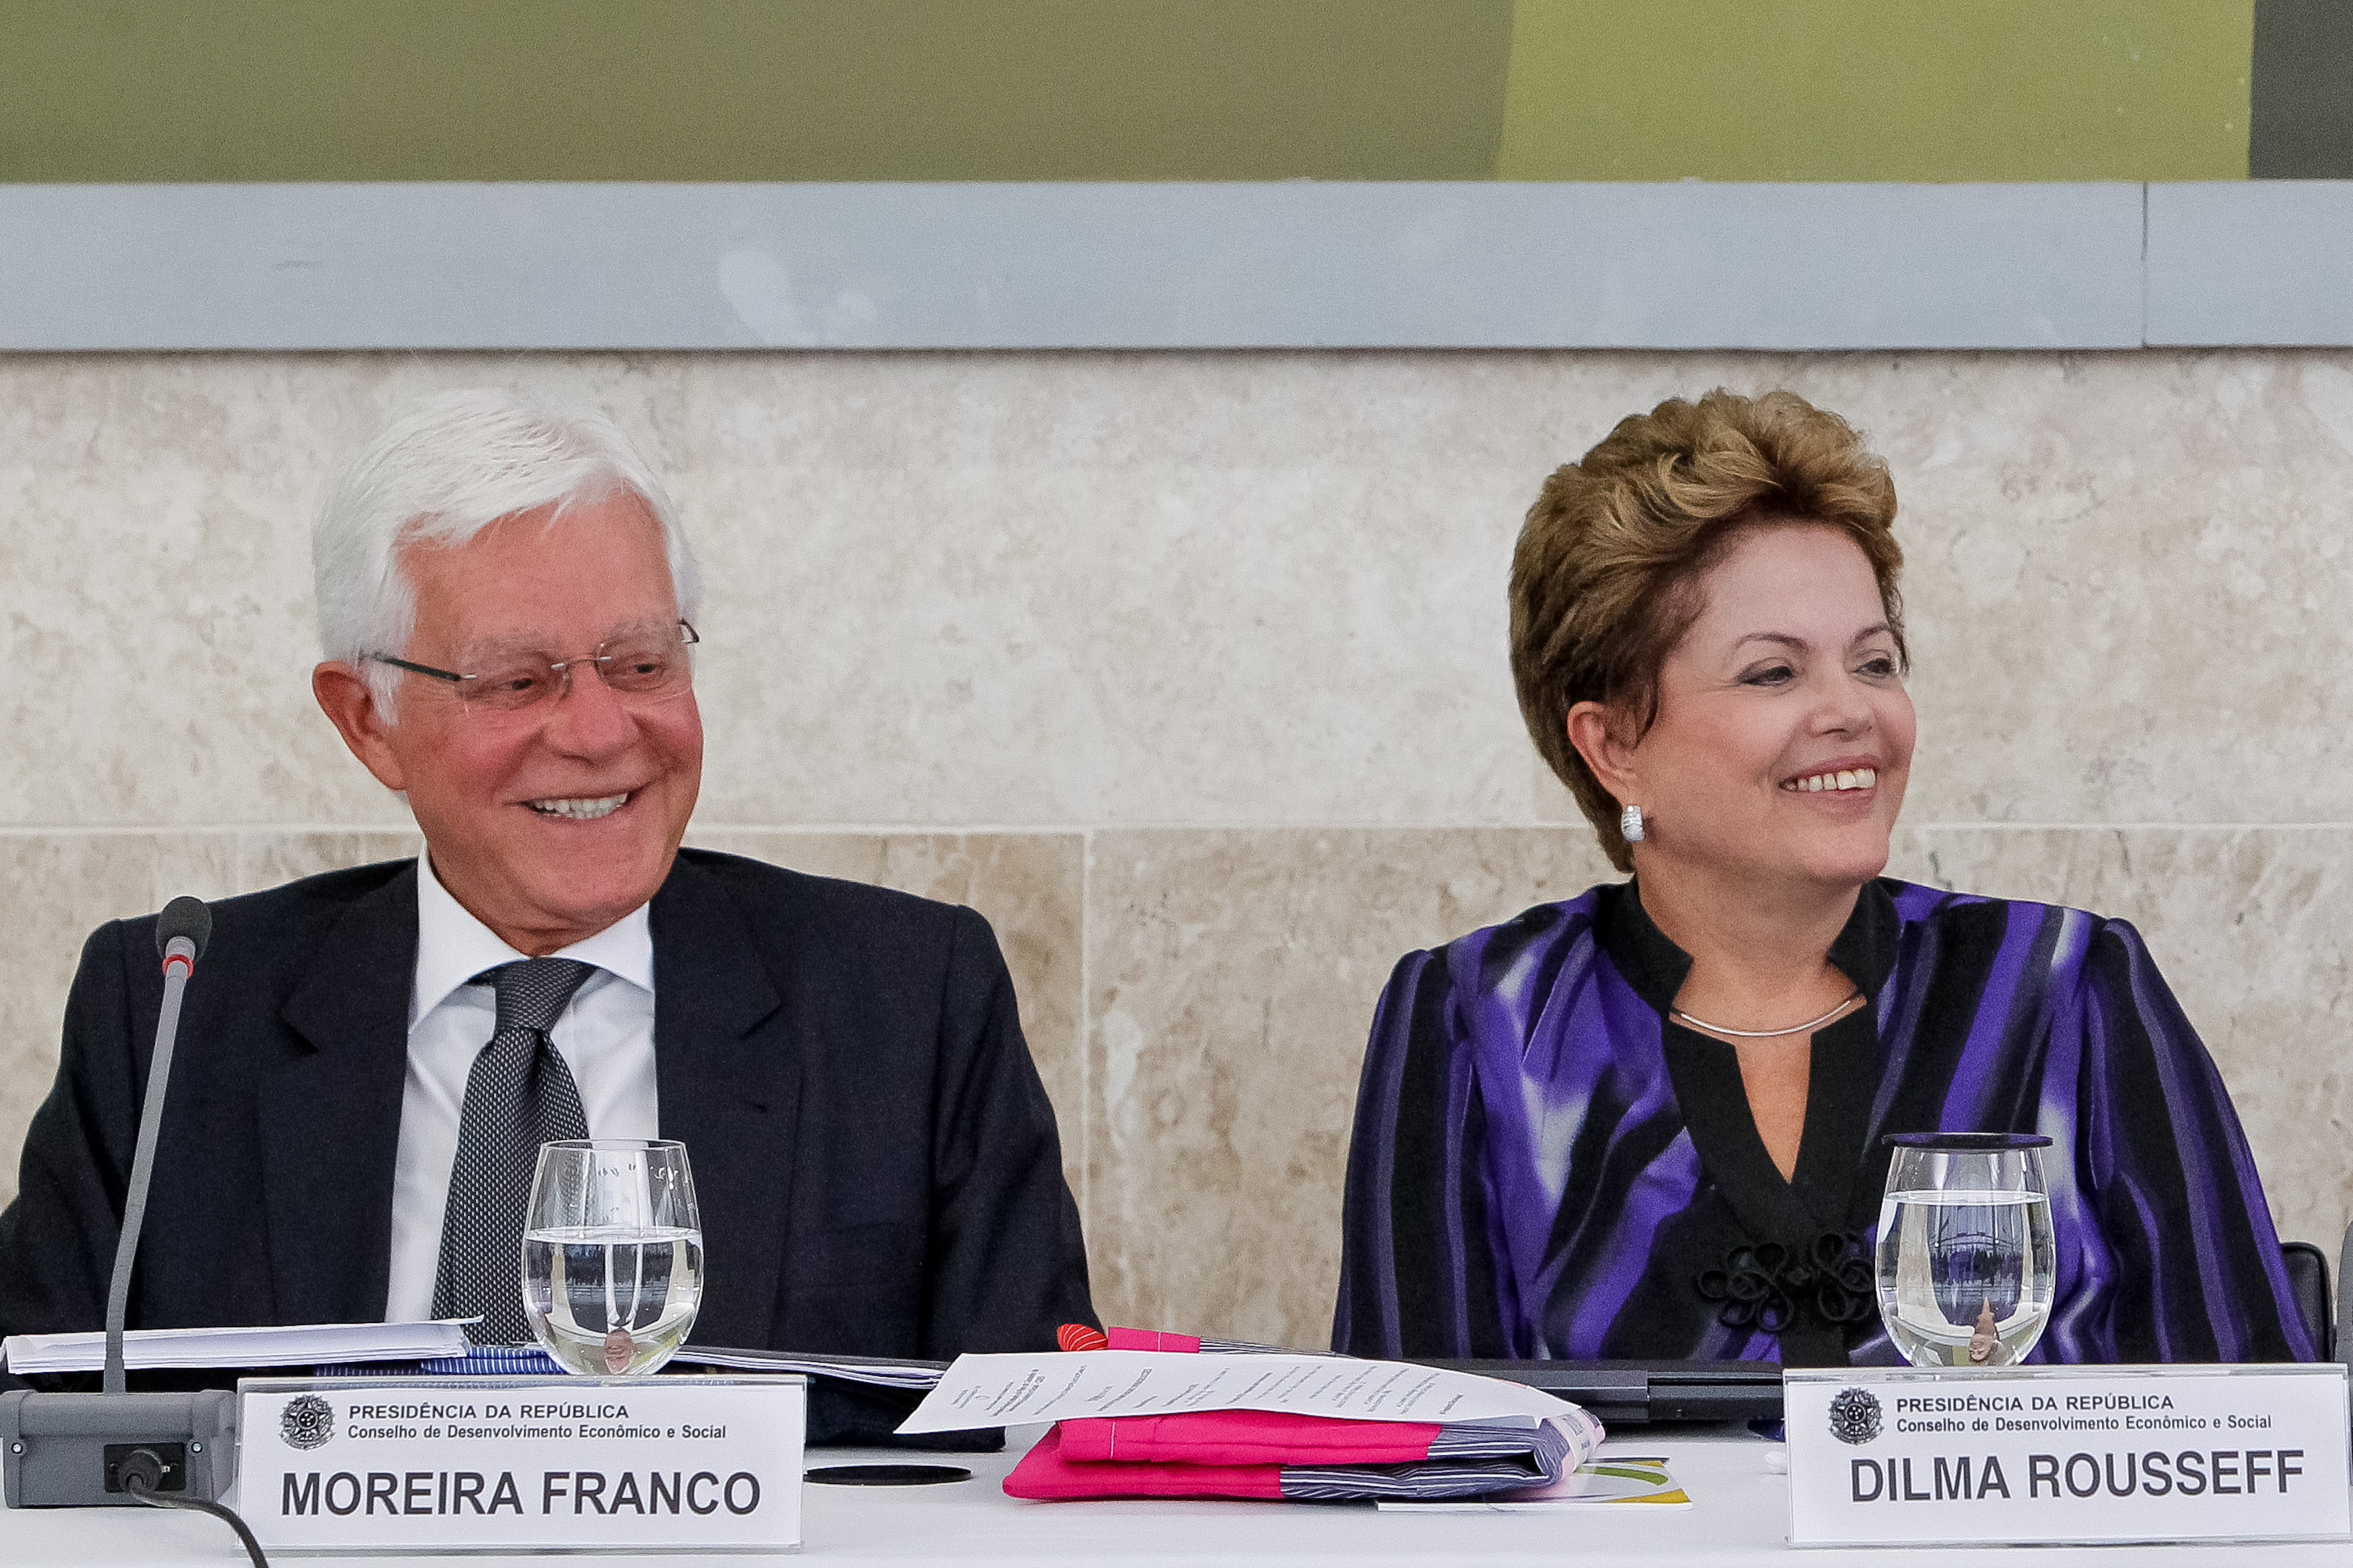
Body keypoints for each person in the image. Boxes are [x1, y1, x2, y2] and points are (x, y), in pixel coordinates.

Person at [0, 390, 1095, 1438]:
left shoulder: (907, 999)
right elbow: (28, 1425)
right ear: (366, 721)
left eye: (640, 663)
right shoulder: (174, 1013)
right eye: (517, 681)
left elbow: (1033, 1445)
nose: (597, 730)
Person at [1333, 389, 2311, 1367]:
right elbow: (1421, 1460)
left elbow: (2268, 1428)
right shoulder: (1479, 1016)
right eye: (1773, 673)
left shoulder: (2066, 987)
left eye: (1875, 662)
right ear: (1613, 745)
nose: (1852, 712)